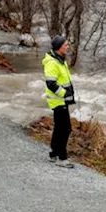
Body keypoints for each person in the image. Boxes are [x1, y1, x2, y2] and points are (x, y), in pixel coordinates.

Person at [43, 35, 76, 168]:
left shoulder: (61, 60)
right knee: (65, 129)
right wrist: (64, 93)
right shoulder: (52, 63)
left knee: (59, 127)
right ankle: (62, 158)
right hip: (58, 101)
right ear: (58, 48)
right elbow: (51, 83)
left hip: (62, 101)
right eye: (65, 45)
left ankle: (54, 153)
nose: (68, 47)